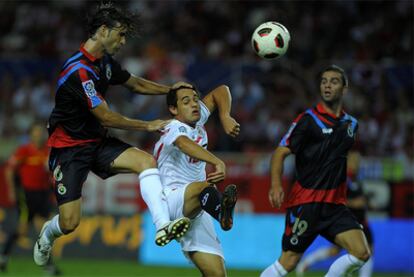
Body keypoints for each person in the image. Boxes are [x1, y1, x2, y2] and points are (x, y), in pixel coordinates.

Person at [33, 3, 193, 267]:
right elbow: (106, 116)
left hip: (97, 142)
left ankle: (163, 224)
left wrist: (171, 90)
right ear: (104, 31)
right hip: (70, 150)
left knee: (146, 163)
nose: (123, 41)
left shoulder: (104, 62)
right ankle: (48, 235)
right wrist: (147, 125)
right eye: (120, 34)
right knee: (70, 222)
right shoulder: (78, 71)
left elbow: (136, 83)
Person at [261, 65, 371, 277]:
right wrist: (275, 185)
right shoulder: (307, 120)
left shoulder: (352, 125)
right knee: (288, 262)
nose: (327, 85)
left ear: (344, 89)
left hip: (335, 205)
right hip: (306, 203)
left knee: (361, 252)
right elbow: (280, 152)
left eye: (334, 81)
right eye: (324, 81)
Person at [154, 84, 240, 276]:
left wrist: (225, 116)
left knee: (217, 274)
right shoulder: (171, 127)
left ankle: (221, 213)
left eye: (195, 99)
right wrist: (217, 161)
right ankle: (222, 215)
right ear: (173, 109)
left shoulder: (197, 118)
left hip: (199, 208)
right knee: (204, 187)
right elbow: (183, 144)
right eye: (186, 101)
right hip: (171, 200)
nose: (194, 104)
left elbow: (222, 90)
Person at [296, 151, 374, 277]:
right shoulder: (344, 178)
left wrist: (366, 204)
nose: (357, 164)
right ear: (349, 162)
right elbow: (338, 199)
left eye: (358, 161)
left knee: (367, 251)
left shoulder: (356, 179)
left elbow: (359, 199)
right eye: (355, 161)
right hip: (349, 222)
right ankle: (307, 262)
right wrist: (355, 203)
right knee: (337, 251)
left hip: (362, 221)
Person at [1, 123, 60, 275]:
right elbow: (9, 170)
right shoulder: (24, 150)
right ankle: (4, 257)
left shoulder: (47, 151)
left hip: (43, 194)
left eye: (41, 133)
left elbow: (53, 172)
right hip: (27, 194)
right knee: (23, 229)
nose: (38, 135)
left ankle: (48, 266)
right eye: (36, 132)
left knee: (44, 231)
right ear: (31, 135)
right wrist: (12, 191)